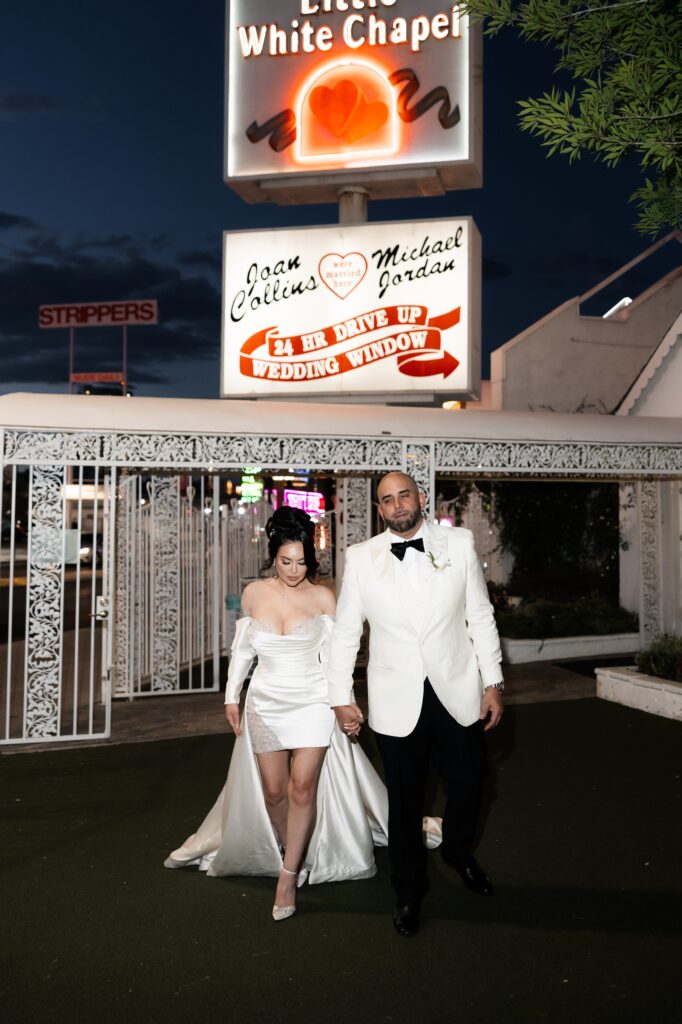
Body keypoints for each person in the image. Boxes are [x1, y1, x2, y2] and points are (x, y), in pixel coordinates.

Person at [164, 505, 388, 921]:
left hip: (313, 701)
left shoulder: (323, 597)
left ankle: (287, 876)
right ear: (273, 555)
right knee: (274, 793)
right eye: (286, 561)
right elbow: (244, 652)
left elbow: (338, 658)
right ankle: (294, 851)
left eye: (302, 561)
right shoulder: (253, 593)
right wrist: (232, 697)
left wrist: (346, 700)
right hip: (265, 702)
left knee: (302, 787)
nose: (294, 569)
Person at [327, 471, 504, 937]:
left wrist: (493, 681)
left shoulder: (459, 544)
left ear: (420, 497)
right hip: (394, 696)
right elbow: (347, 631)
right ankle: (408, 890)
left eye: (404, 494)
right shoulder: (360, 558)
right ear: (380, 510)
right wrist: (340, 696)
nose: (398, 505)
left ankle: (458, 851)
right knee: (404, 802)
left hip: (457, 688)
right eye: (387, 500)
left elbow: (480, 615)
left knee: (471, 780)